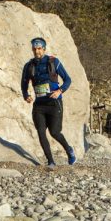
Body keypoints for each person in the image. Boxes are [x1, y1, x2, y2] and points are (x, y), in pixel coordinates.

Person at [21, 37, 76, 168]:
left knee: (55, 132)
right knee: (41, 132)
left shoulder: (53, 62)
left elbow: (68, 79)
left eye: (39, 49)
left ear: (44, 49)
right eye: (34, 49)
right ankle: (51, 161)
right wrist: (26, 95)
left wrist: (60, 91)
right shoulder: (29, 65)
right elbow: (24, 83)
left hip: (54, 103)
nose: (37, 51)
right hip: (39, 105)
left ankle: (69, 150)